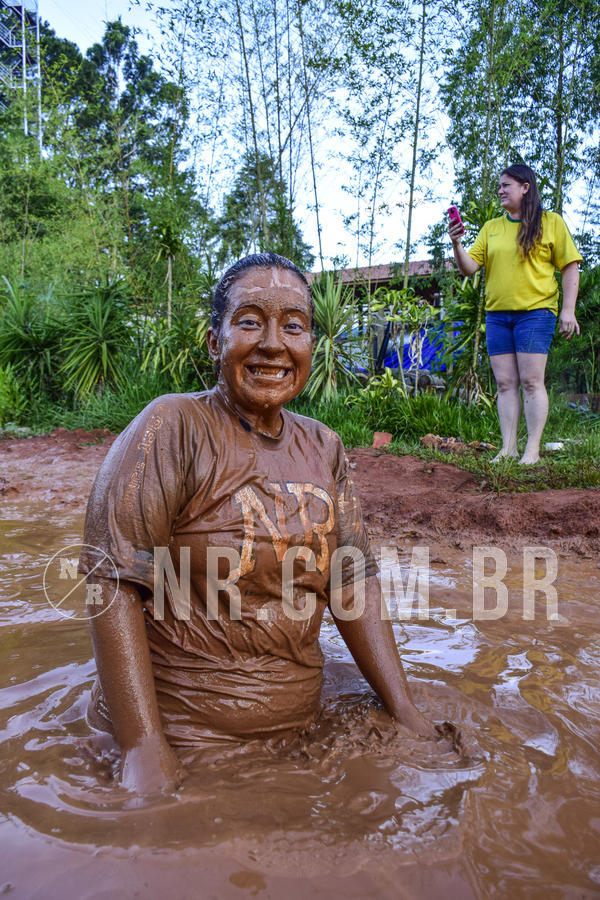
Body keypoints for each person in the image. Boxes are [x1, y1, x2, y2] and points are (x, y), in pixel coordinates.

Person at [79, 252, 438, 797]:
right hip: (186, 738)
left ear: (311, 345)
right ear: (214, 341)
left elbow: (352, 581)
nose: (273, 343)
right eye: (249, 321)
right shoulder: (172, 425)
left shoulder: (324, 445)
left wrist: (406, 711)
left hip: (300, 734)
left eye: (293, 326)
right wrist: (143, 750)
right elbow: (112, 580)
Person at [449, 163, 582, 464]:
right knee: (505, 384)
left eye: (506, 185)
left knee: (532, 381)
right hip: (497, 316)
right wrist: (456, 243)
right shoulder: (492, 228)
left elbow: (570, 267)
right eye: (499, 185)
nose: (500, 190)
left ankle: (531, 450)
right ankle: (508, 448)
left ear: (525, 187)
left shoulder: (551, 223)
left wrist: (569, 310)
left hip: (536, 314)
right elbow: (468, 267)